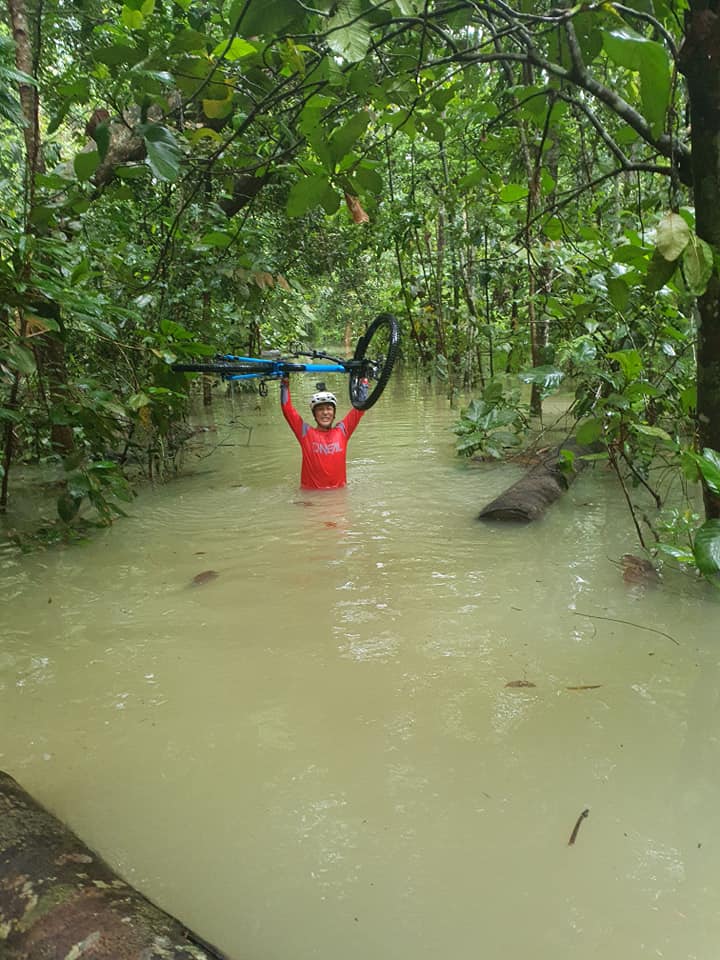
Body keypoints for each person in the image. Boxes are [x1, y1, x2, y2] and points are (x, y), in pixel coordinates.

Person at [280, 377, 364, 489]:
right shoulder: (305, 433)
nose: (325, 412)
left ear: (334, 413)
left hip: (338, 497)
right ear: (314, 415)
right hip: (311, 498)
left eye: (329, 408)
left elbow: (360, 408)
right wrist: (285, 384)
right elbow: (287, 409)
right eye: (320, 409)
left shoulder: (342, 431)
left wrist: (364, 381)